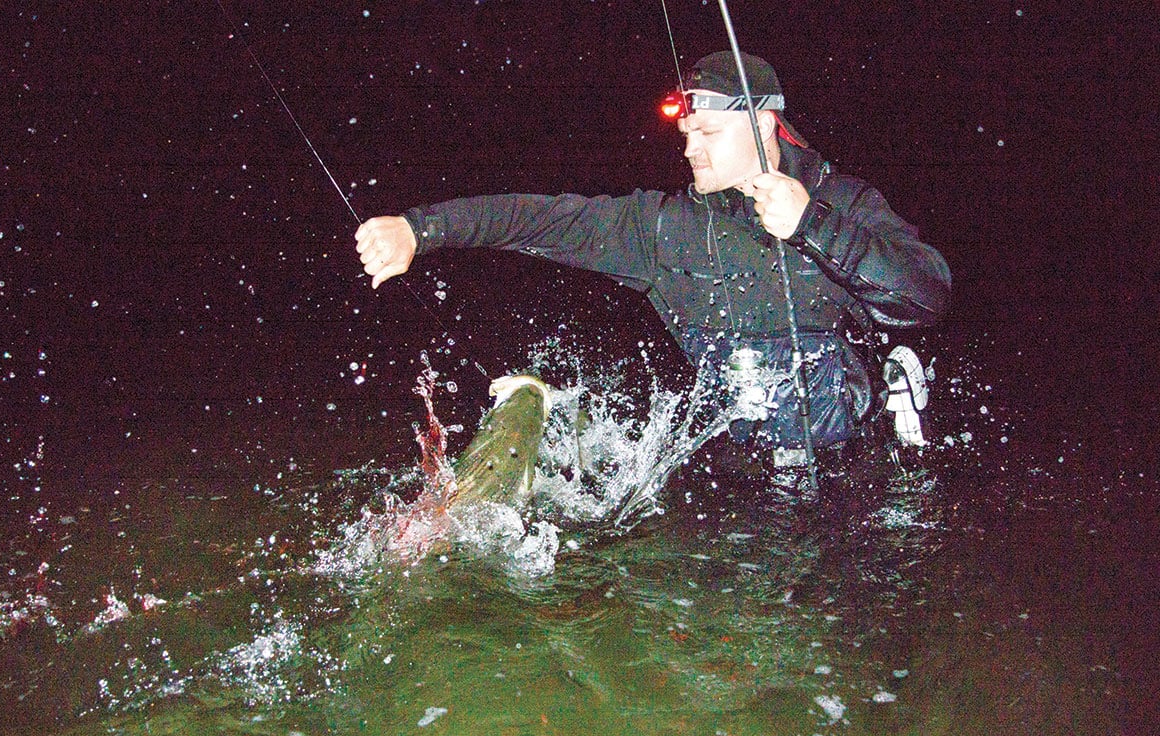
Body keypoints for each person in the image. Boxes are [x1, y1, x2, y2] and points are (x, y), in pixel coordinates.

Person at [355, 51, 951, 463]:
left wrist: (810, 224)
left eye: (709, 132)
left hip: (845, 445)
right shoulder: (663, 226)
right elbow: (541, 217)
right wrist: (420, 229)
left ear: (765, 126)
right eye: (687, 132)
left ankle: (896, 387)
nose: (690, 147)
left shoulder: (840, 199)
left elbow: (928, 296)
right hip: (737, 453)